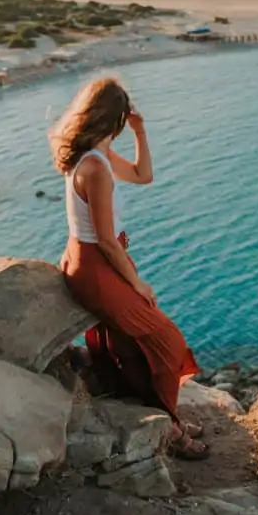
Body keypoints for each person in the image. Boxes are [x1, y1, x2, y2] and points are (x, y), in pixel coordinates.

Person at [51, 75, 210, 459]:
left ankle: (165, 419)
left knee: (129, 344)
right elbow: (106, 240)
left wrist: (141, 132)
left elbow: (143, 175)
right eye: (126, 120)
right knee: (168, 341)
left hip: (91, 261)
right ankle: (170, 430)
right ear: (113, 119)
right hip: (97, 265)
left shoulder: (93, 154)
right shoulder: (96, 168)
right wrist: (137, 284)